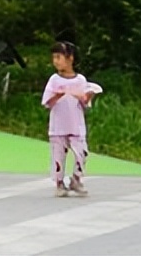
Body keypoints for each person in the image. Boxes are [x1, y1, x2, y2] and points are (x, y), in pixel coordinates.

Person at [42, 41, 101, 197]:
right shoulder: (54, 80)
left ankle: (76, 178)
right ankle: (59, 183)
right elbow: (47, 102)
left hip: (76, 124)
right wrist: (58, 94)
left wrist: (88, 96)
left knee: (81, 152)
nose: (55, 61)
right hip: (58, 125)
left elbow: (84, 102)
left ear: (70, 58)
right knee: (58, 155)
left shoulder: (80, 80)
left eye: (59, 57)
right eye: (54, 57)